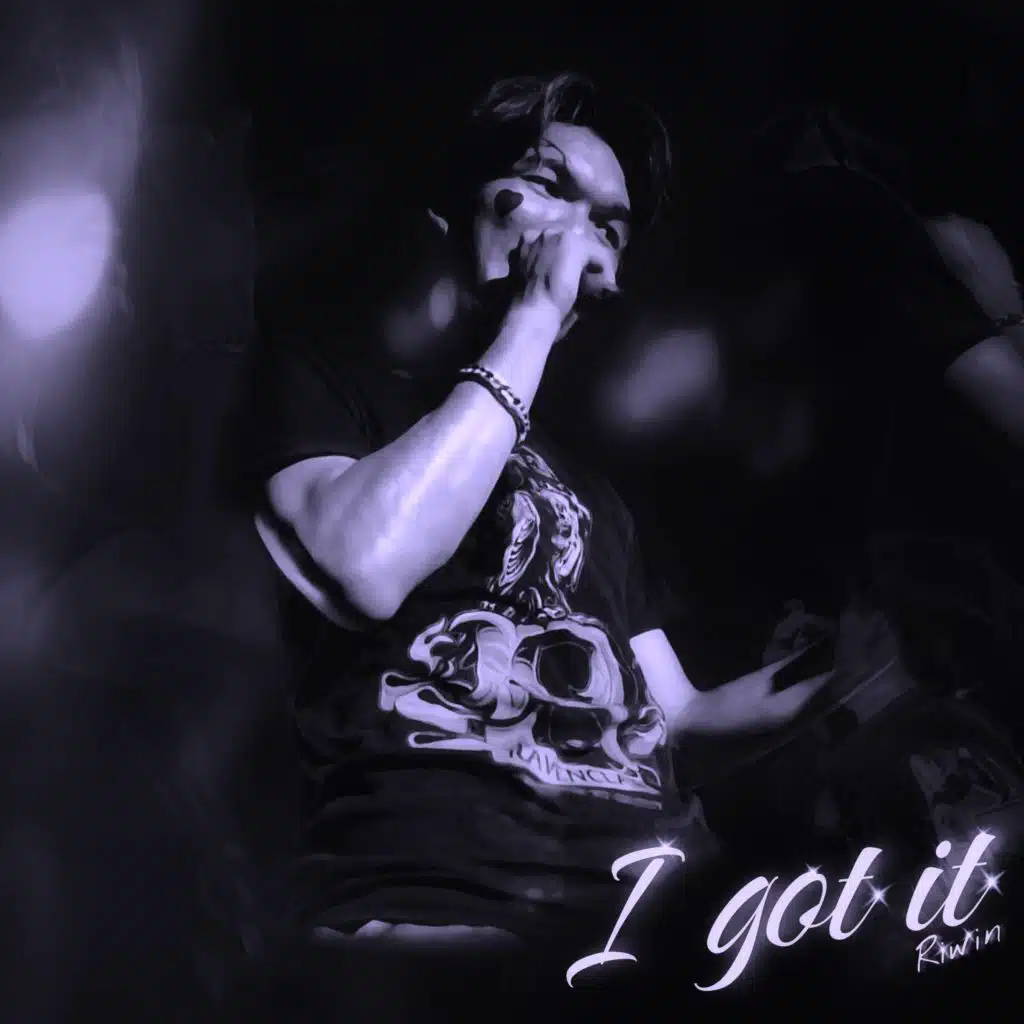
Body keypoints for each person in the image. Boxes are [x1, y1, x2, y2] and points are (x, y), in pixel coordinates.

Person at [232, 72, 835, 1021]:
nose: (582, 239)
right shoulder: (329, 386)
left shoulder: (596, 492)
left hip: (654, 918)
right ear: (451, 211)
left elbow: (672, 722)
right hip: (447, 915)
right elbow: (360, 565)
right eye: (549, 186)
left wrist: (856, 668)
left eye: (611, 228)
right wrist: (532, 319)